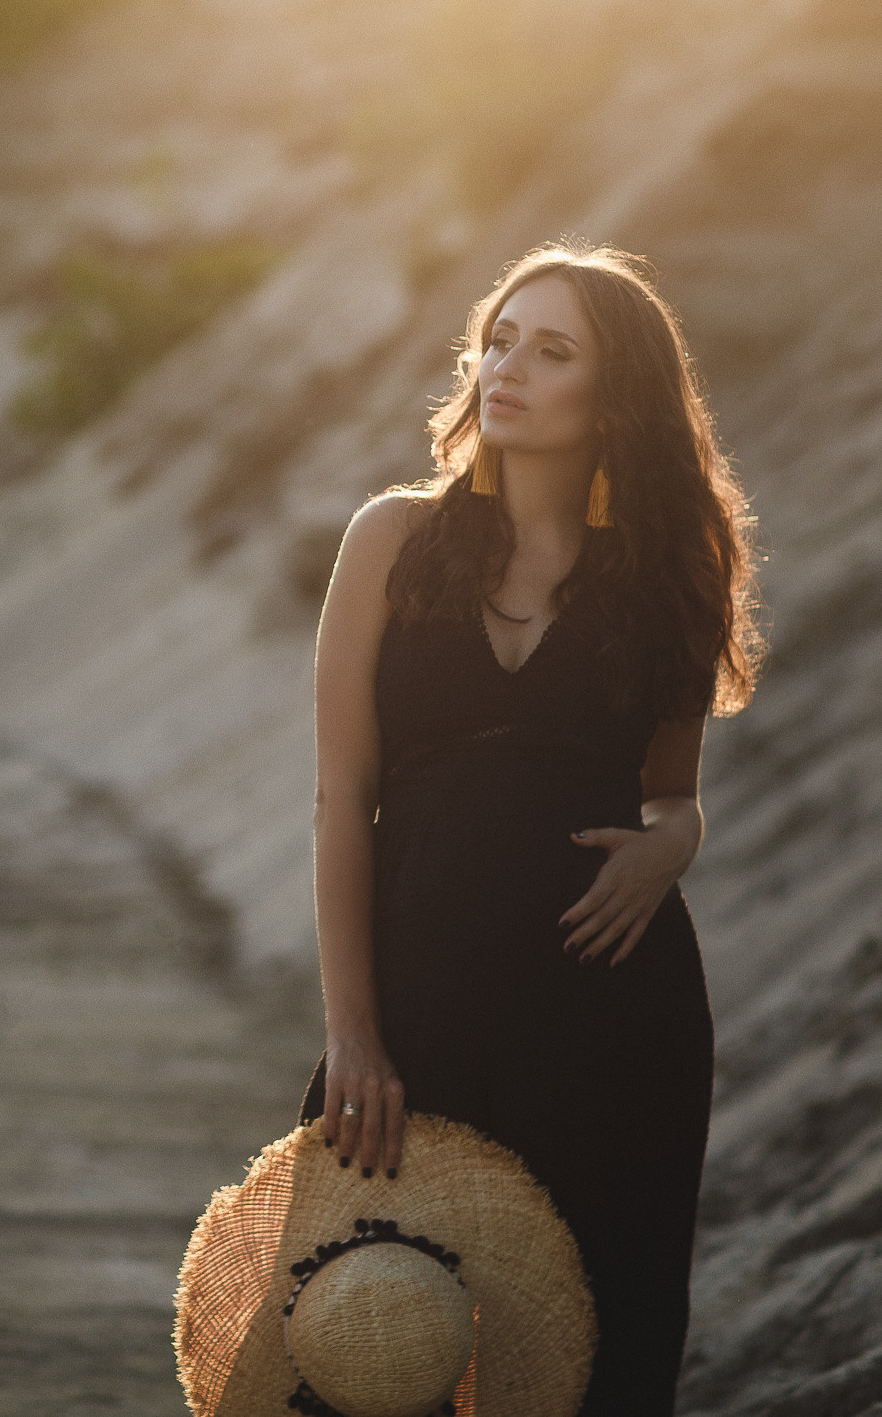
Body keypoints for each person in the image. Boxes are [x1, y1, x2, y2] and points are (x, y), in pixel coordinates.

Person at [302, 243, 762, 1416]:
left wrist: (674, 842)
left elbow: (672, 791)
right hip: (421, 999)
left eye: (552, 351)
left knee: (583, 1349)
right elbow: (340, 795)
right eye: (499, 339)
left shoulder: (668, 572)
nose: (506, 366)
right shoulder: (392, 540)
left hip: (607, 1016)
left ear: (615, 398)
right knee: (363, 1341)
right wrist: (354, 1034)